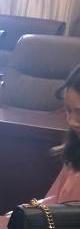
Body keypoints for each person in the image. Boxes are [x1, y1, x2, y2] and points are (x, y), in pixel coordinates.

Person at [44, 64, 80, 204]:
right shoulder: (75, 149)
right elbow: (56, 200)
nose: (72, 122)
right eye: (68, 110)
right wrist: (29, 211)